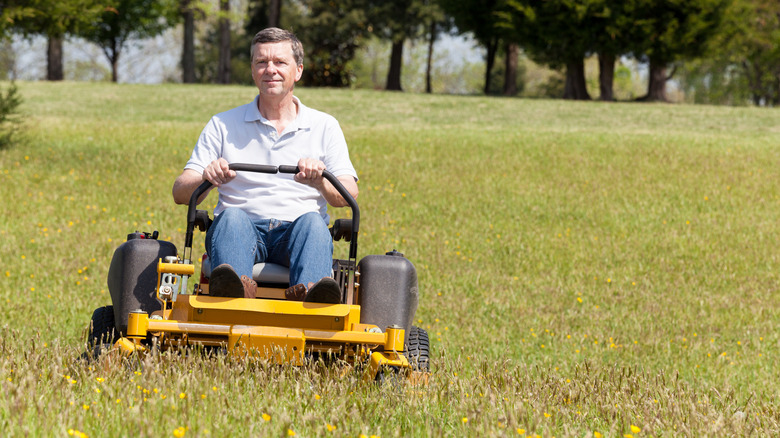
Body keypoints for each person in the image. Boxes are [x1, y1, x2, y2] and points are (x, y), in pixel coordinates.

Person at [172, 27, 358, 303]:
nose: (270, 69)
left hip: (299, 232)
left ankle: (310, 297)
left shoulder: (324, 125)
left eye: (280, 62)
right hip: (241, 231)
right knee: (232, 217)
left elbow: (349, 194)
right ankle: (235, 290)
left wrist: (320, 180)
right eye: (261, 62)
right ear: (252, 70)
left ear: (298, 71)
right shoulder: (223, 124)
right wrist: (207, 179)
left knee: (312, 224)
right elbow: (180, 192)